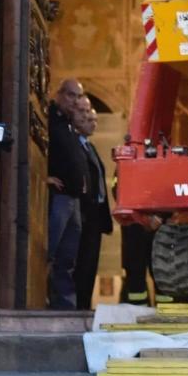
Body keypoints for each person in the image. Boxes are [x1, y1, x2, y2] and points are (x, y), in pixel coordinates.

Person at [46, 79, 90, 309]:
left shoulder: (69, 124)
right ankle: (38, 302)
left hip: (74, 200)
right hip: (60, 199)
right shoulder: (48, 118)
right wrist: (43, 176)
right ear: (59, 94)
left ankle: (64, 307)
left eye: (79, 96)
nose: (76, 101)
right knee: (49, 253)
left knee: (67, 258)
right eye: (72, 96)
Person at [72, 104, 113, 310]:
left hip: (95, 216)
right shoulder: (74, 145)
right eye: (88, 118)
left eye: (95, 119)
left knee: (90, 264)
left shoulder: (90, 147)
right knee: (81, 262)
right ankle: (78, 306)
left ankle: (85, 305)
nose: (93, 122)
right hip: (83, 213)